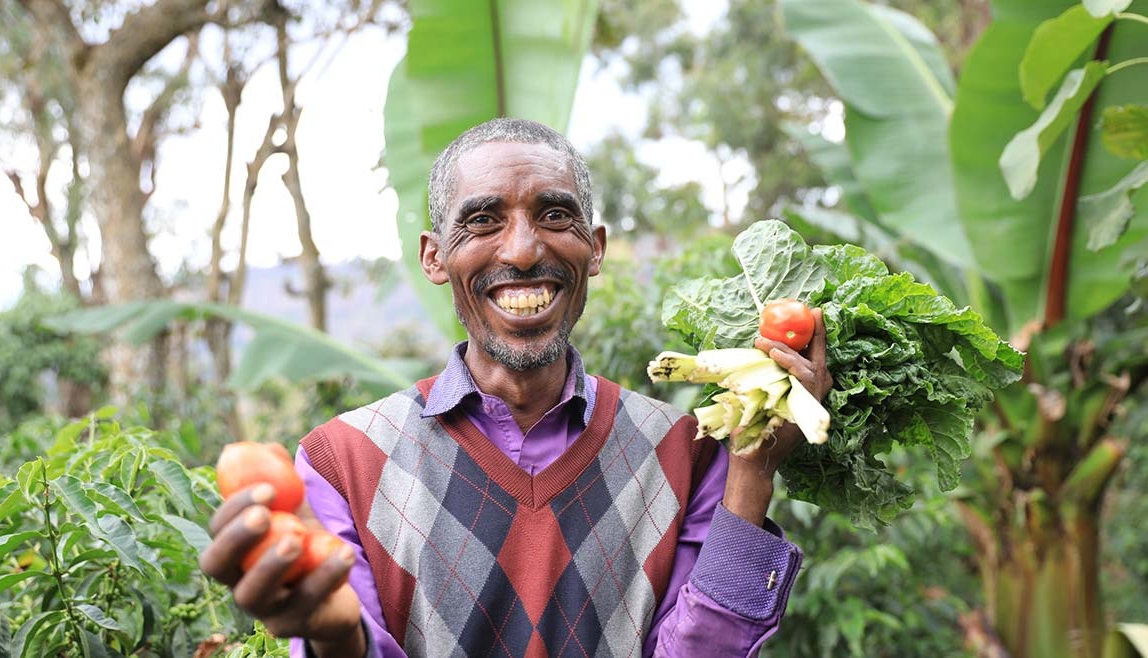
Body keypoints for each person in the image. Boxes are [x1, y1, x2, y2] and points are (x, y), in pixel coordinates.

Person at [199, 118, 832, 658]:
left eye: (555, 215)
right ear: (434, 257)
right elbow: (342, 630)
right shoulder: (342, 461)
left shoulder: (684, 449)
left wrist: (752, 477)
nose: (525, 250)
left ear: (595, 248)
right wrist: (338, 640)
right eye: (482, 221)